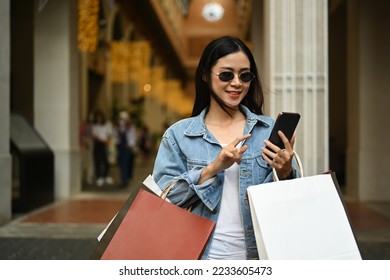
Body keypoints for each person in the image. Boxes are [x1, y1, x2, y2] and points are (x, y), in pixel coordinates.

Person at [152, 36, 300, 260]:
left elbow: (289, 202)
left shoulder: (267, 130)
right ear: (205, 75)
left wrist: (285, 172)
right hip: (201, 257)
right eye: (226, 74)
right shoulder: (179, 135)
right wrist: (211, 169)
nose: (237, 83)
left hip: (260, 256)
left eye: (245, 75)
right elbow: (163, 201)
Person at [113, 111, 137, 187]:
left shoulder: (131, 128)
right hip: (120, 148)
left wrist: (130, 145)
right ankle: (123, 179)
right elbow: (116, 138)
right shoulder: (118, 128)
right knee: (121, 164)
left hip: (128, 149)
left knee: (127, 164)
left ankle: (126, 179)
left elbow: (133, 138)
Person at [92, 110, 114, 187]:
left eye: (100, 117)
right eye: (97, 117)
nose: (99, 119)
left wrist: (107, 142)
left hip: (106, 145)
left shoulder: (107, 124)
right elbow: (95, 136)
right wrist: (104, 141)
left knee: (106, 161)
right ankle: (99, 177)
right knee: (98, 161)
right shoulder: (95, 126)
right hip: (98, 145)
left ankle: (105, 176)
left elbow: (109, 134)